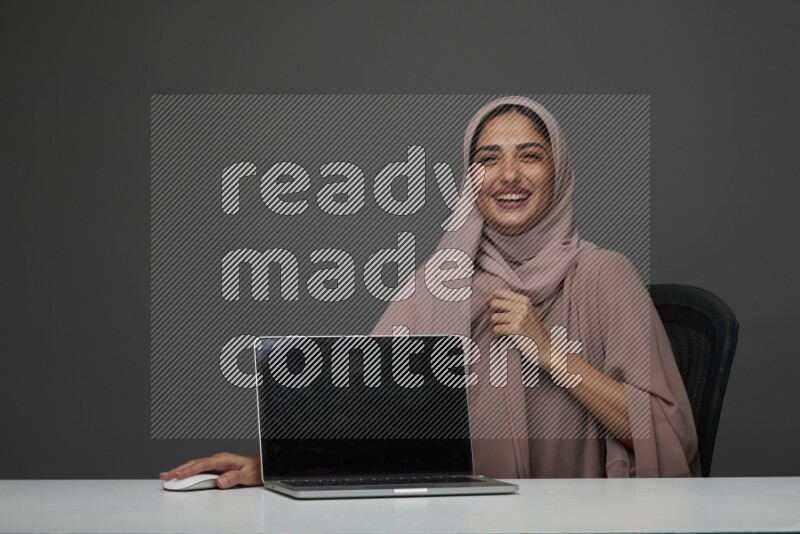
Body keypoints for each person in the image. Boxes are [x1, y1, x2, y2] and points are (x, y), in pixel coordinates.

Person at [160, 96, 700, 488]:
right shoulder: (439, 280)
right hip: (457, 521)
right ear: (471, 178)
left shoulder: (606, 274)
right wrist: (270, 468)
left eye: (530, 156)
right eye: (488, 159)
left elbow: (668, 436)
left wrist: (547, 350)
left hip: (573, 524)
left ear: (558, 172)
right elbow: (363, 417)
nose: (508, 174)